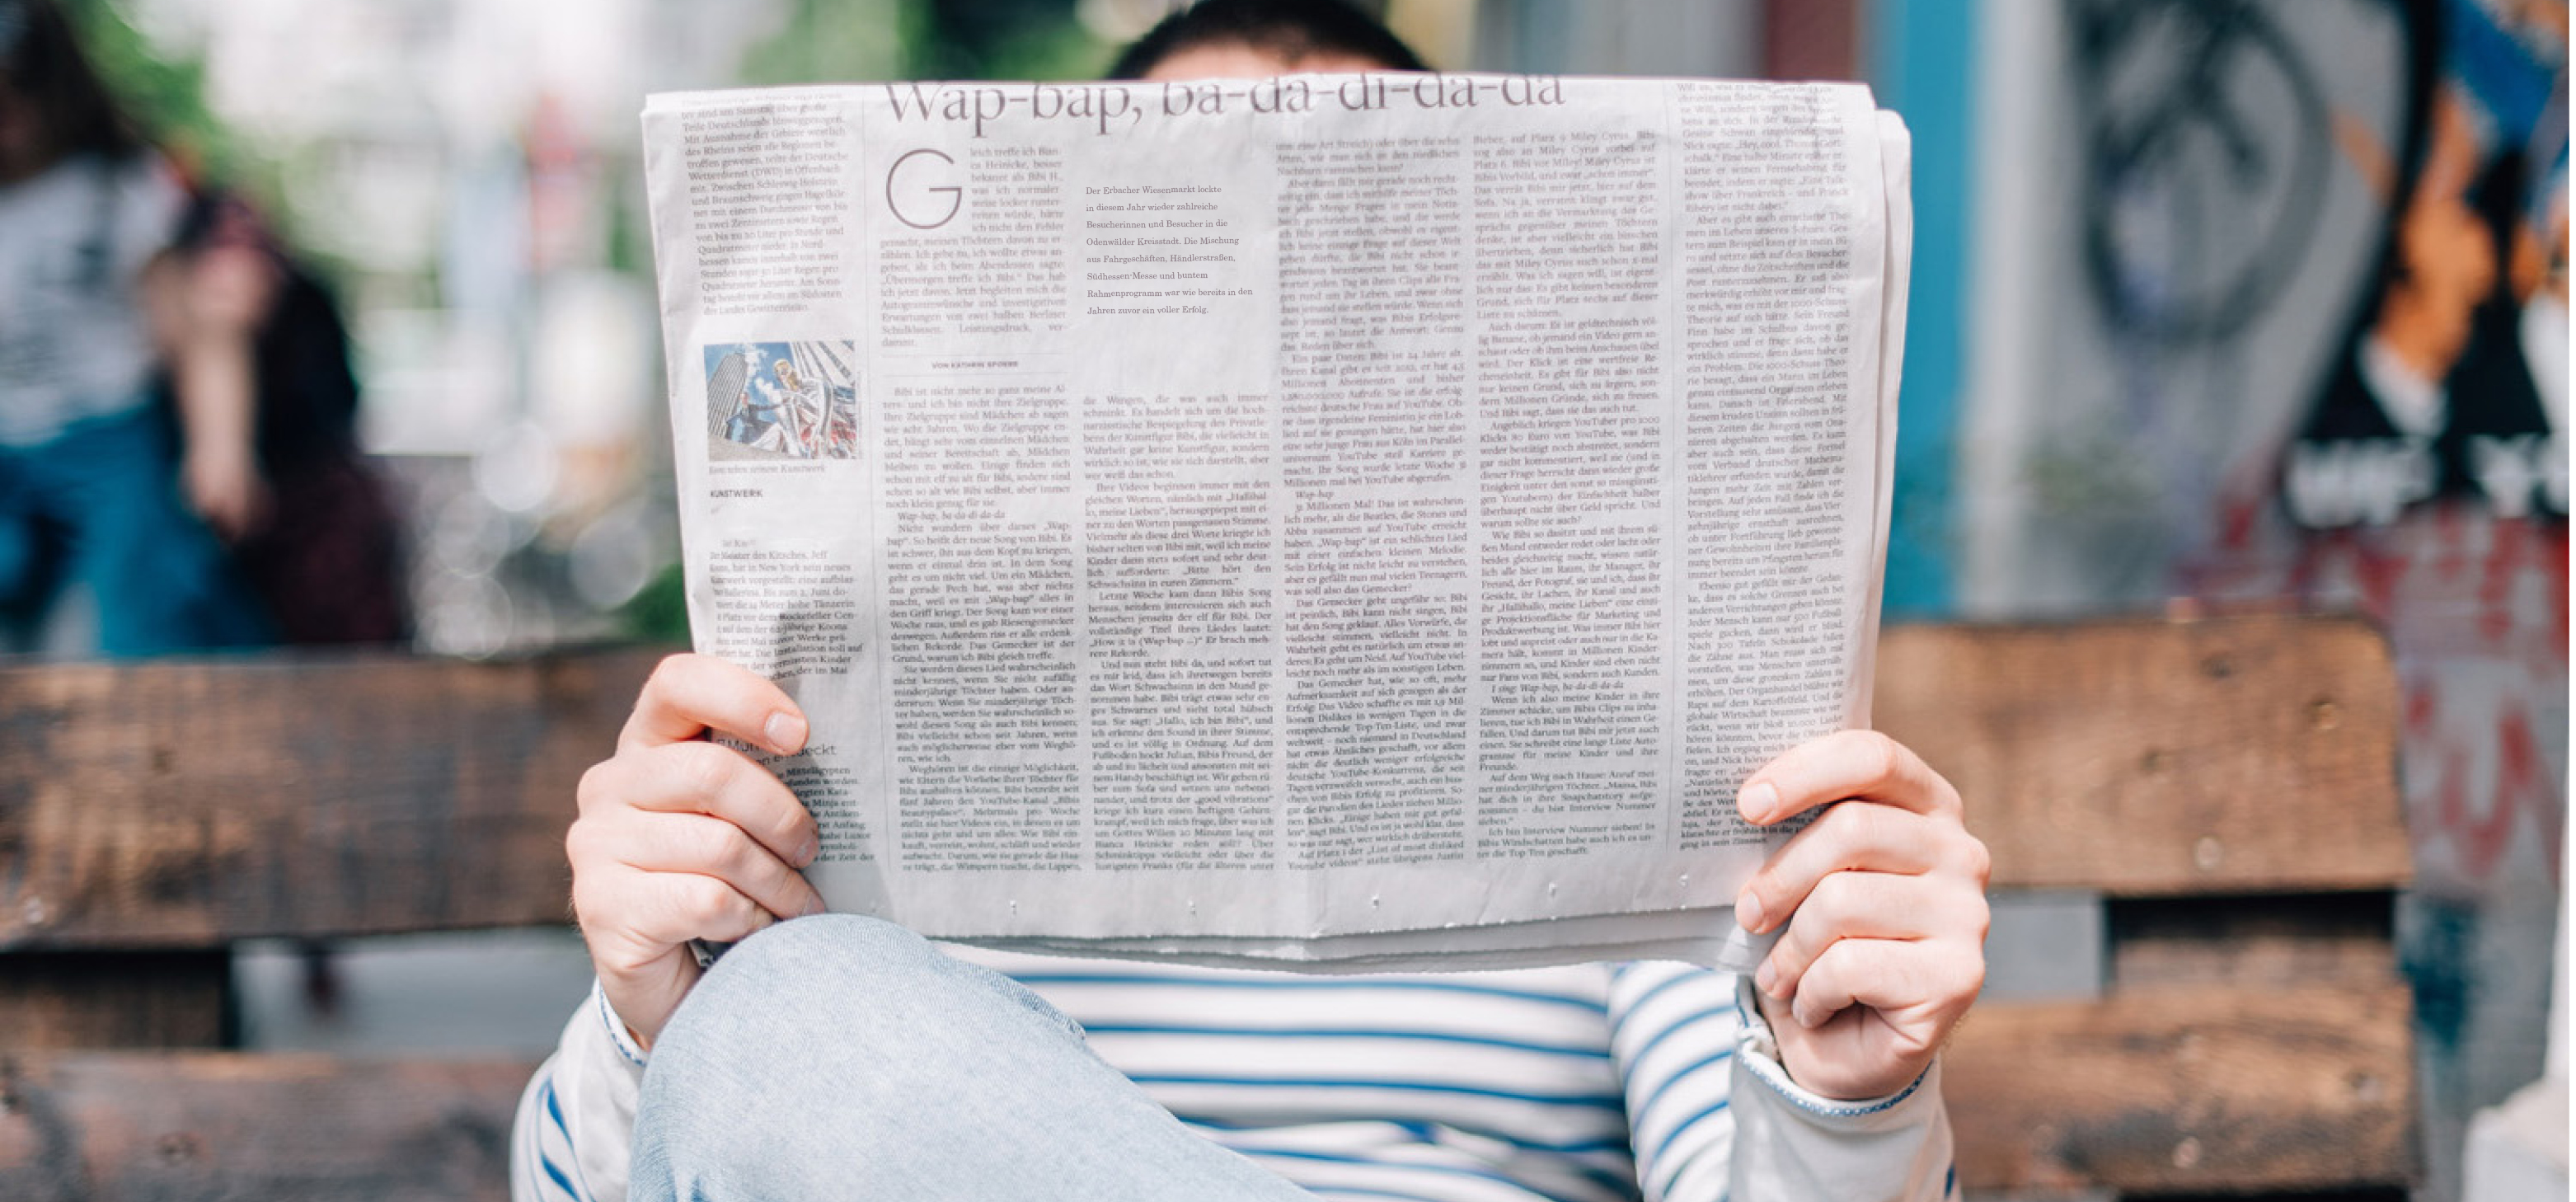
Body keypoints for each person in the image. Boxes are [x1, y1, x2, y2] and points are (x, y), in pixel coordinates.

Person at [514, 3, 1987, 1200]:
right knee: (786, 1026)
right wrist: (652, 1017)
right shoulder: (843, 780)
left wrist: (1846, 1094)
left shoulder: (1634, 759)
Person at [0, 0, 271, 655]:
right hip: (8, 447)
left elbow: (200, 333)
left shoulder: (116, 188)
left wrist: (220, 447)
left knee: (133, 614)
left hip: (108, 438)